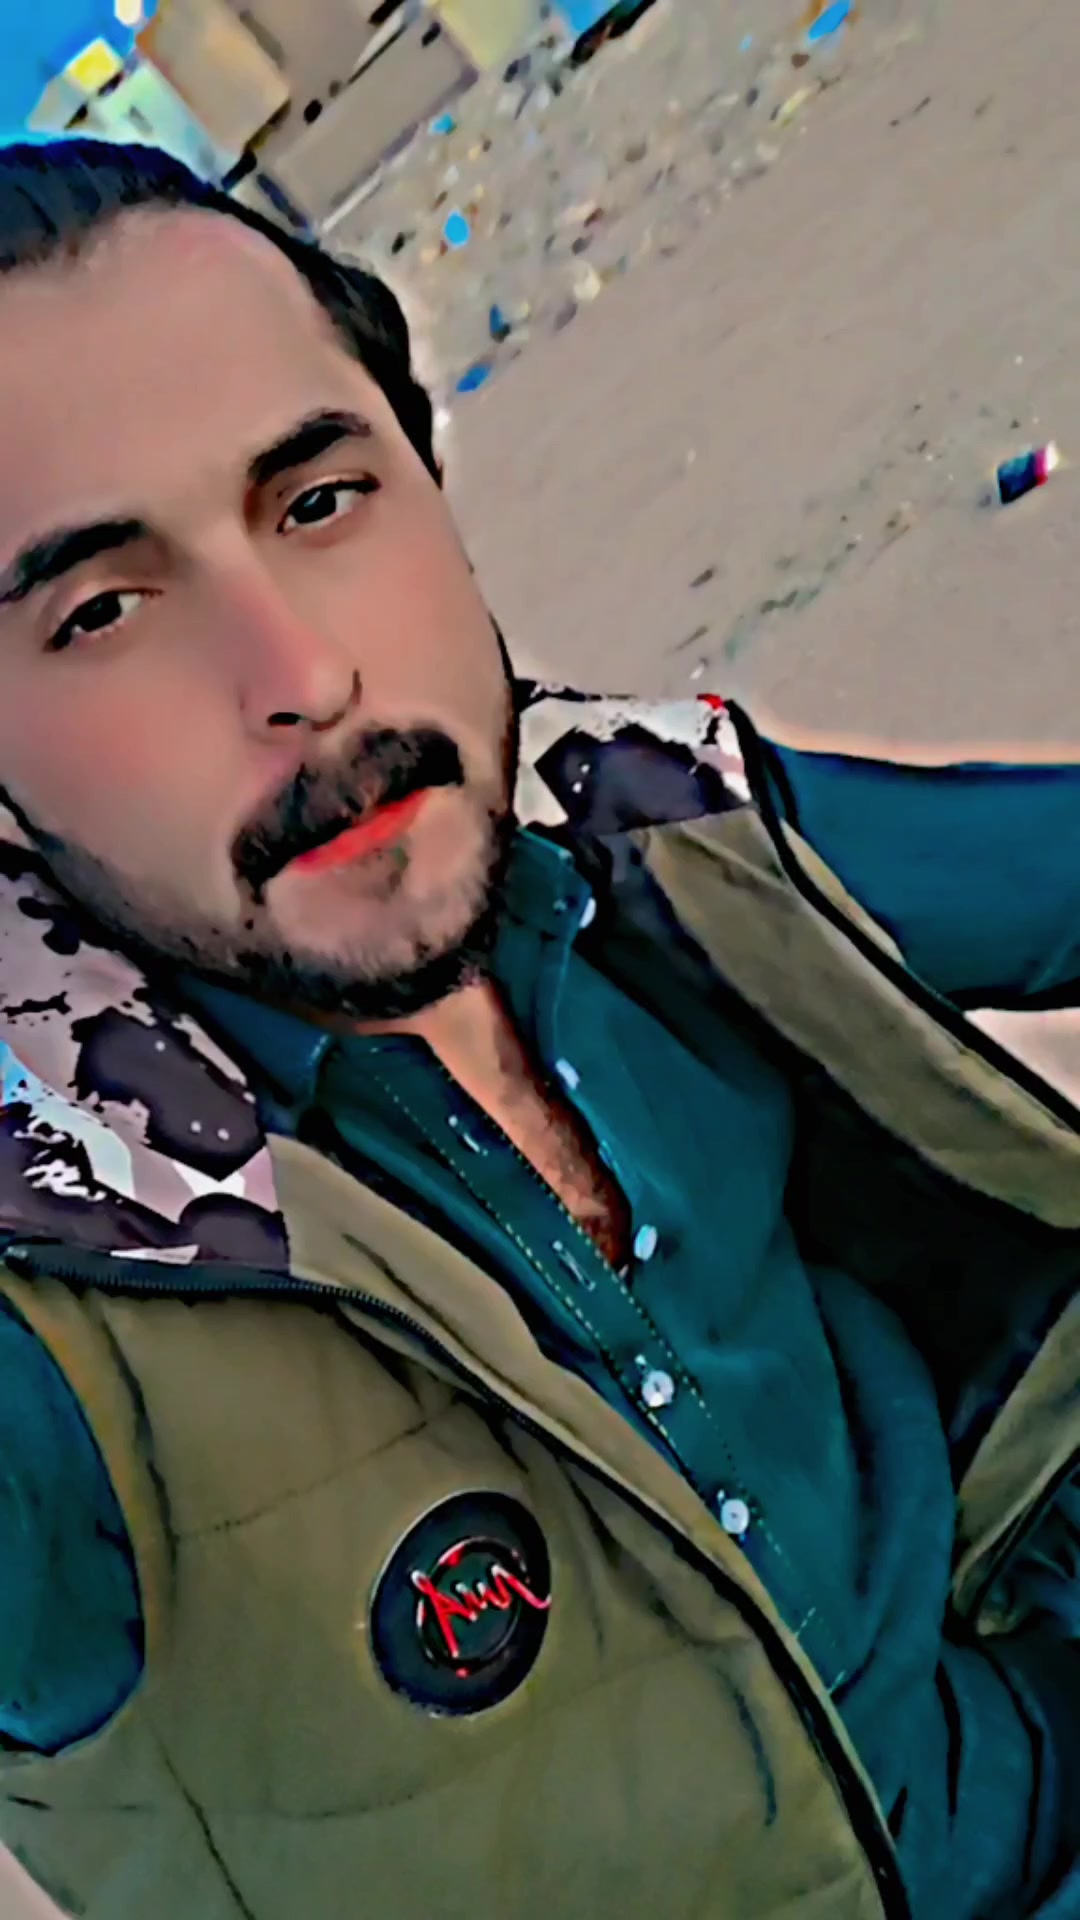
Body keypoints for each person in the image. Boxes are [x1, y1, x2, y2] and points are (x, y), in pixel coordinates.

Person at [0, 134, 1078, 1920]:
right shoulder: (60, 1282)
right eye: (101, 609)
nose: (303, 678)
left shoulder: (637, 827)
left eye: (318, 502)